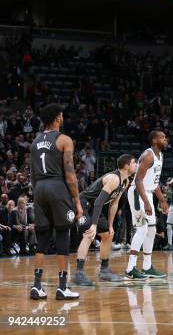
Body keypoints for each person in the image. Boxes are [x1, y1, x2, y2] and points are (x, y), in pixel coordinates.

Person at [30, 103, 83, 300]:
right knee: (62, 235)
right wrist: (77, 201)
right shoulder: (64, 140)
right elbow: (70, 174)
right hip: (57, 187)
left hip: (39, 189)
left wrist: (38, 193)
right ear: (58, 118)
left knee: (42, 238)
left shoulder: (35, 141)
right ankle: (62, 287)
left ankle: (37, 286)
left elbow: (33, 175)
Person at [73, 154, 136, 285]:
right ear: (126, 166)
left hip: (94, 206)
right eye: (134, 163)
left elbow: (114, 204)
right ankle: (78, 273)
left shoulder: (125, 182)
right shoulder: (114, 179)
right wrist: (94, 225)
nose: (136, 165)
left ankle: (104, 270)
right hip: (83, 203)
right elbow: (98, 202)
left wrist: (111, 225)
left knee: (107, 234)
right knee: (89, 234)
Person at [125, 130, 169, 279]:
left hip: (147, 194)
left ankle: (147, 266)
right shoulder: (148, 155)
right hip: (138, 194)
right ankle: (130, 268)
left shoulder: (160, 156)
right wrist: (146, 202)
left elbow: (154, 183)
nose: (166, 139)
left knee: (151, 230)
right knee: (142, 229)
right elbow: (137, 181)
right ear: (155, 140)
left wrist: (162, 200)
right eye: (162, 137)